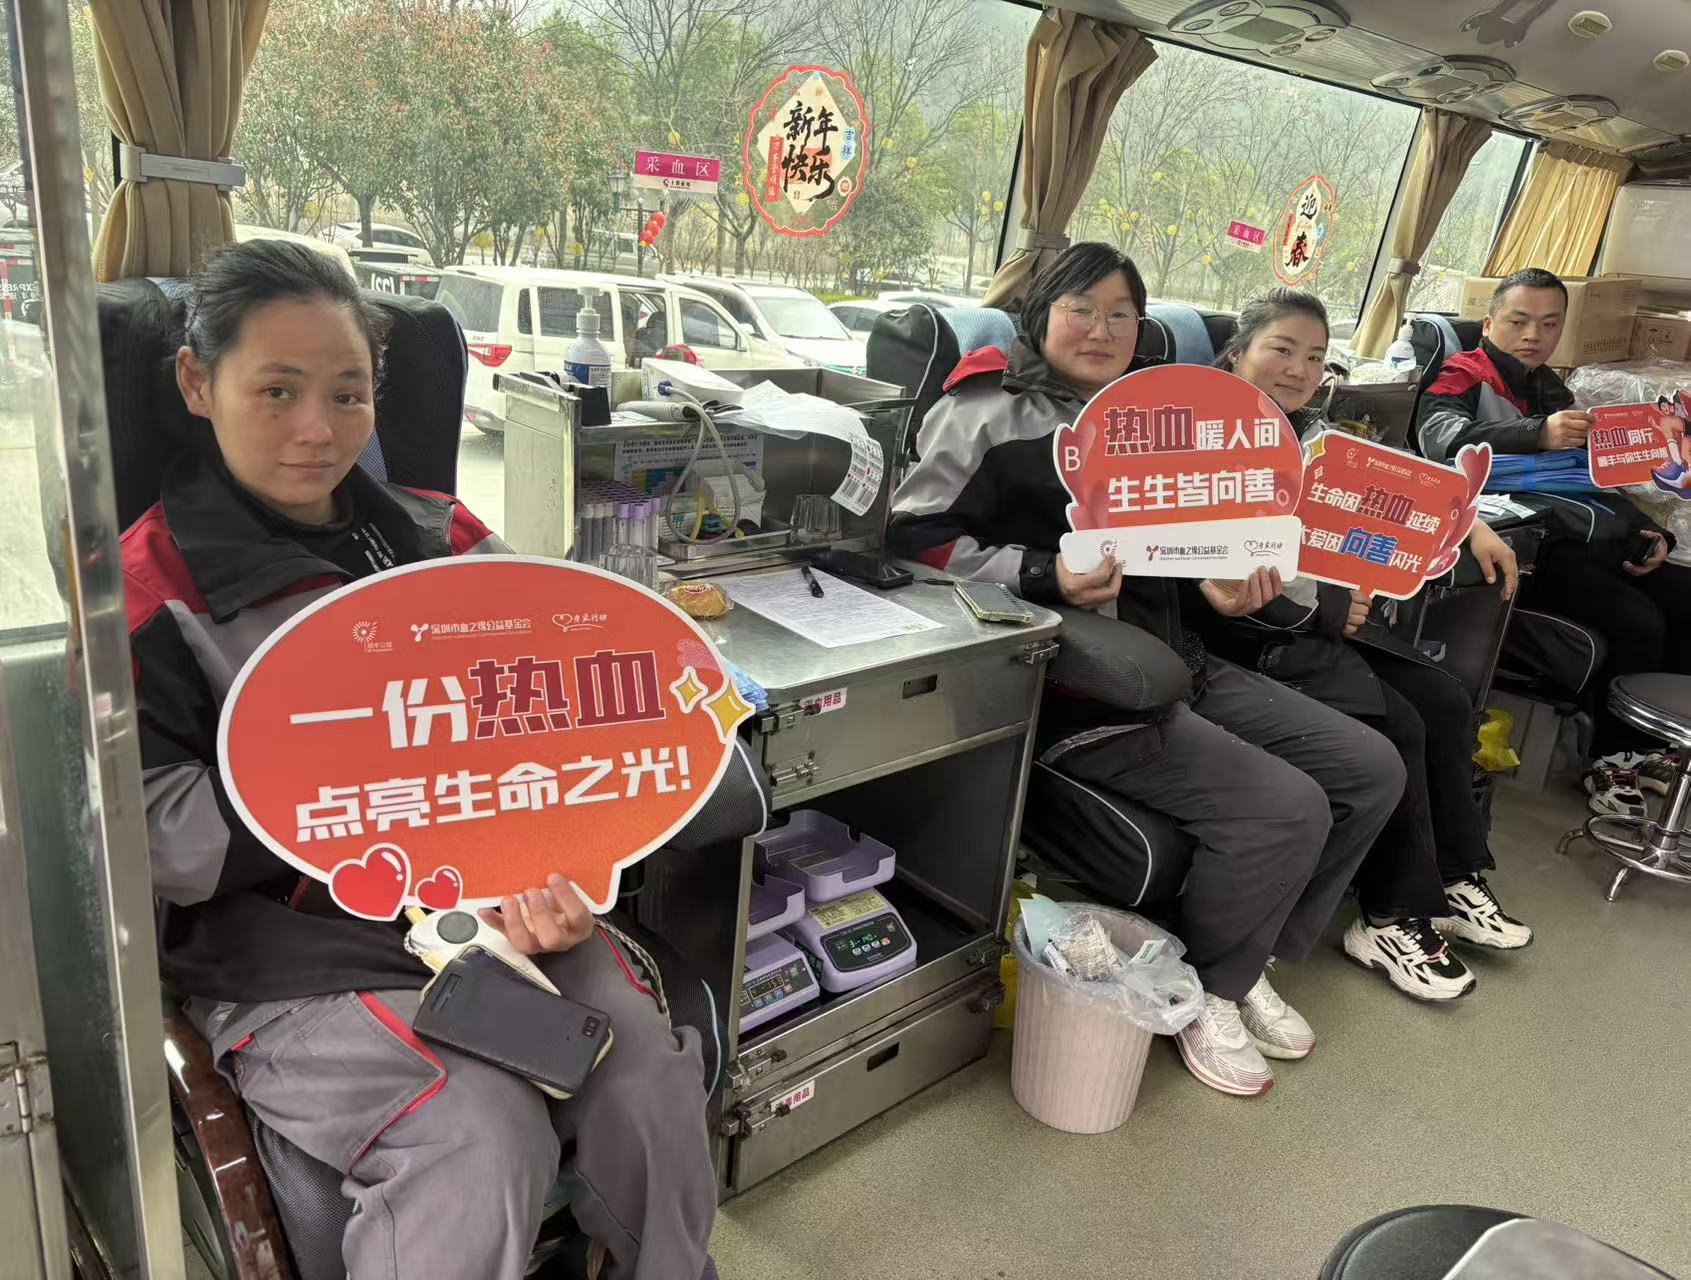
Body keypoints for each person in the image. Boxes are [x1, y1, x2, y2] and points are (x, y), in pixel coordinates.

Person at [122, 240, 751, 1279]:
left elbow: (551, 725)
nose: (318, 429)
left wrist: (560, 861)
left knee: (646, 1081)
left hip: (491, 909)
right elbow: (156, 832)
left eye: (347, 394)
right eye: (276, 391)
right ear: (198, 381)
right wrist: (354, 791)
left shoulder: (443, 538)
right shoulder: (151, 590)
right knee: (475, 1129)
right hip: (290, 944)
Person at [889, 242, 1406, 1097]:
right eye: (1080, 310)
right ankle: (1208, 989)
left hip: (1176, 656)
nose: (1101, 329)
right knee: (1287, 806)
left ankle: (1247, 956)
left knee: (1370, 768)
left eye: (1121, 314)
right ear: (1039, 315)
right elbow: (914, 543)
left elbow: (1192, 541)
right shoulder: (984, 412)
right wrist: (1043, 574)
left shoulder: (1157, 419)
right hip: (1074, 681)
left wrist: (1225, 585)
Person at [1203, 288, 1533, 999]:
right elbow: (1225, 560)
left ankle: (1452, 877)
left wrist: (1469, 526)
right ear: (1236, 354)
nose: (1298, 370)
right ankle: (1389, 915)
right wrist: (1325, 601)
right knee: (1398, 721)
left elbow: (1401, 488)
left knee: (1444, 698)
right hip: (1246, 629)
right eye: (1282, 349)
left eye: (1314, 357)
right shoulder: (1207, 433)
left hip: (1322, 617)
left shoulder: (1313, 436)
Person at [1417, 267, 1691, 817]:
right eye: (1518, 321)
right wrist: (1536, 433)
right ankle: (1613, 759)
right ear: (1489, 322)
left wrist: (1652, 532)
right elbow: (1439, 441)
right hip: (1521, 547)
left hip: (1576, 531)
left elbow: (1588, 478)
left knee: (1685, 597)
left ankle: (1659, 751)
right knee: (1637, 621)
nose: (1533, 335)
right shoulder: (1461, 374)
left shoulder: (1552, 388)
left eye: (1549, 324)